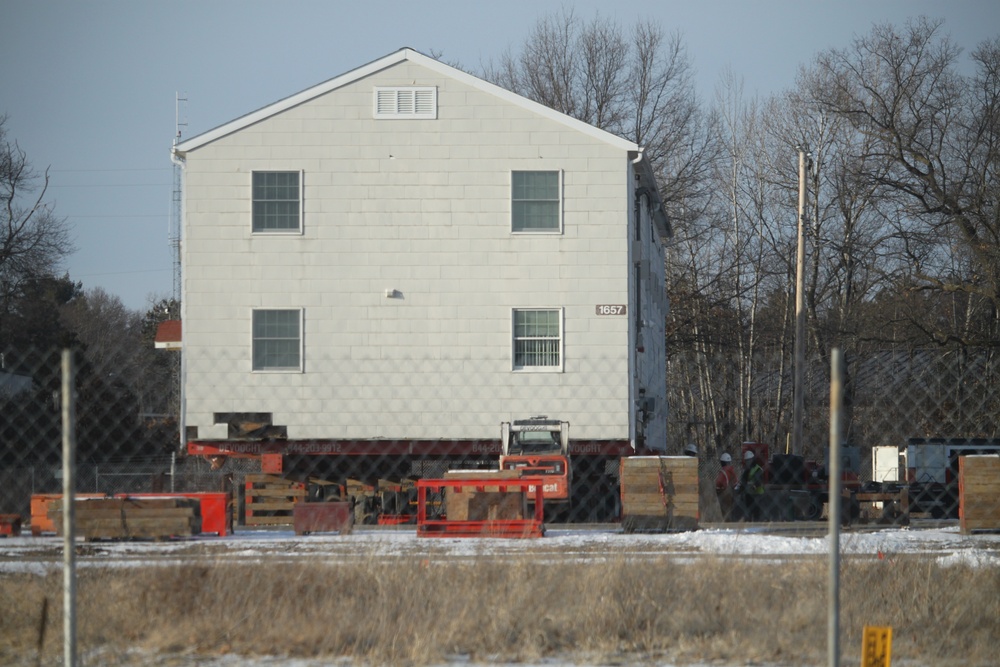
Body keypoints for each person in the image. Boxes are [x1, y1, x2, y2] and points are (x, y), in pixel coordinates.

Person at [736, 450, 765, 521]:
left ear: (752, 460)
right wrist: (739, 490)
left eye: (749, 460)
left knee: (756, 511)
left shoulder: (758, 468)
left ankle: (756, 522)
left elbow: (760, 480)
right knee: (749, 511)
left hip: (757, 493)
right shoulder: (746, 470)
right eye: (746, 461)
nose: (747, 462)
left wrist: (755, 485)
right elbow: (744, 482)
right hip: (749, 494)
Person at [715, 452, 738, 521]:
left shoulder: (722, 471)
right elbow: (736, 482)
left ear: (722, 462)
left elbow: (720, 484)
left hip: (724, 493)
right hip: (732, 493)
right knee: (731, 511)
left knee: (724, 512)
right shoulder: (732, 471)